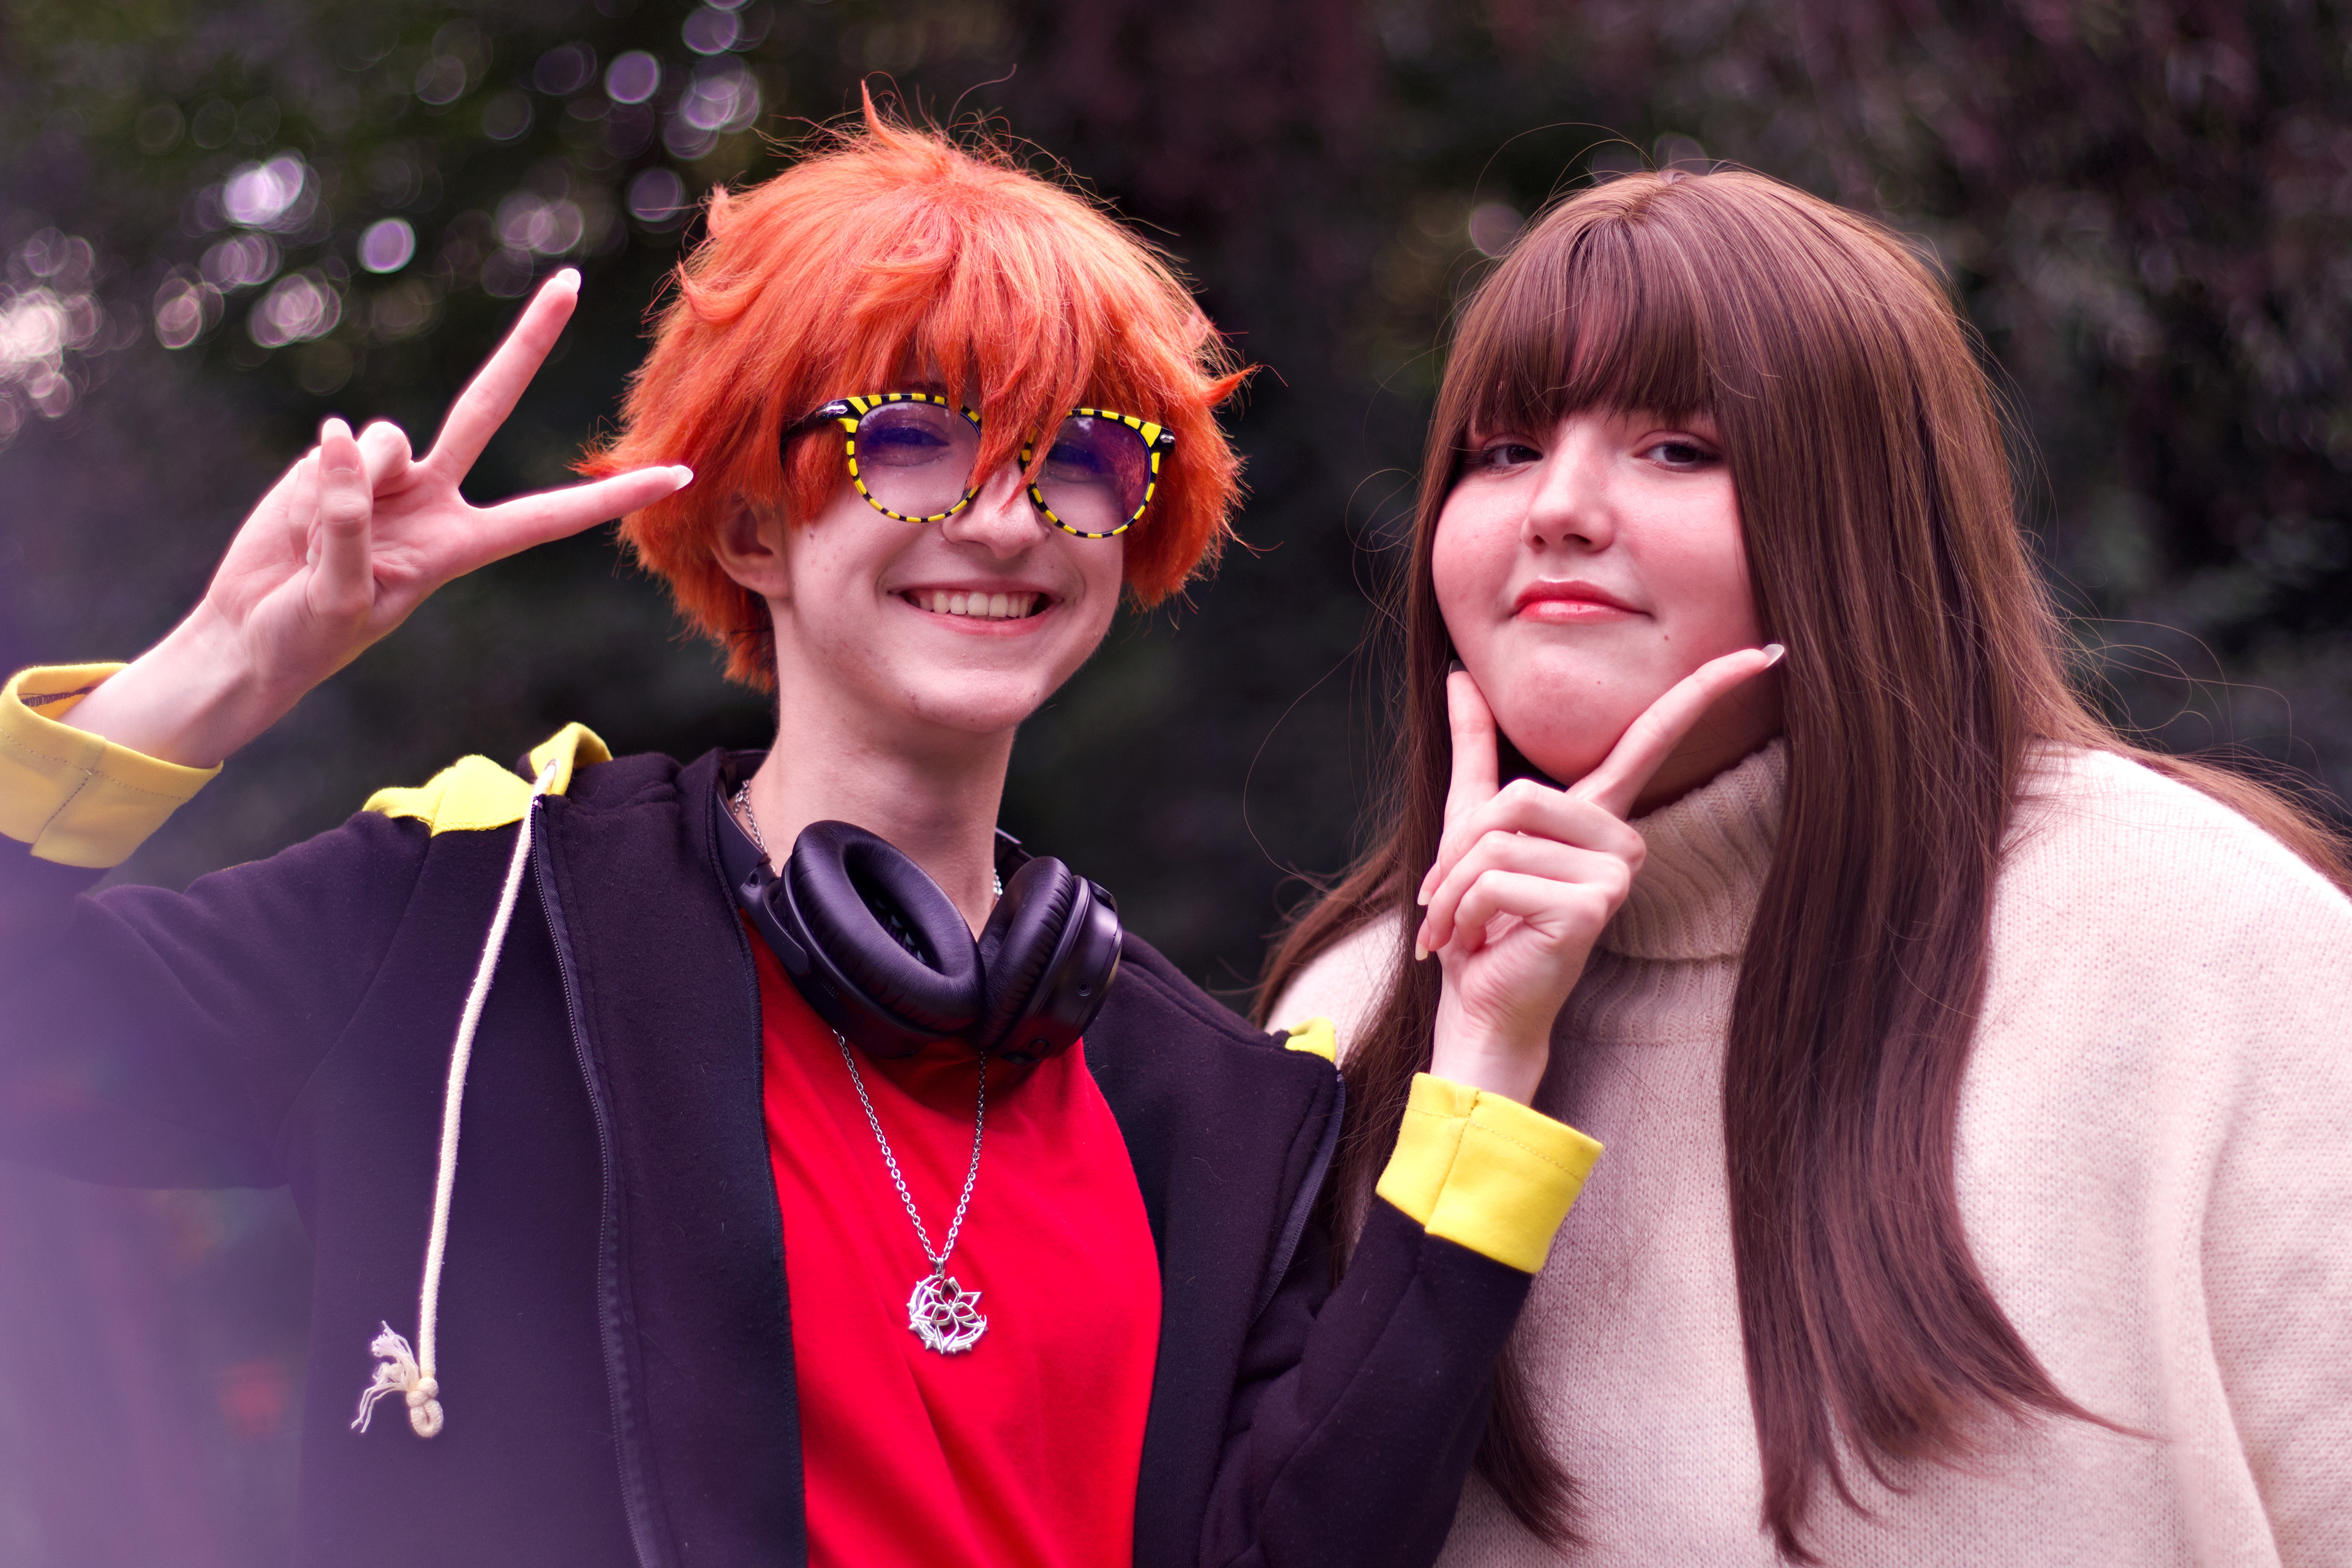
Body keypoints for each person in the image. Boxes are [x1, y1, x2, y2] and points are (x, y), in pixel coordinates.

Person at [0, 110, 1610, 1567]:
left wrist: (1487, 1059)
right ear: (751, 522)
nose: (1005, 518)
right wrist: (210, 678)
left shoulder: (1225, 1109)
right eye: (914, 441)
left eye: (1078, 459)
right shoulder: (471, 926)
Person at [1262, 167, 2352, 1566]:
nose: (1560, 508)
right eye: (1505, 449)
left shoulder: (2202, 943)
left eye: (1679, 449)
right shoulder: (1350, 1012)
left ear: (1868, 522)